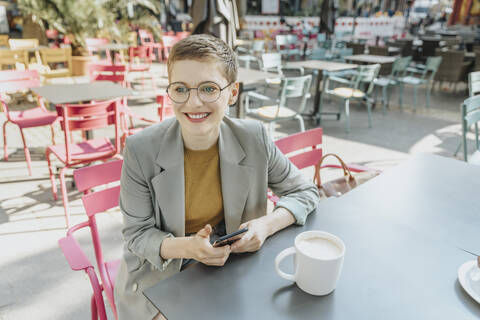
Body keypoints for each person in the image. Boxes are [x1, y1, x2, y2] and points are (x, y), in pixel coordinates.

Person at [114, 34, 319, 320]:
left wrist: (265, 226)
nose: (193, 102)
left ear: (232, 93)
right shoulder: (140, 149)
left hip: (231, 265)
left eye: (209, 88)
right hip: (160, 272)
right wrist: (190, 248)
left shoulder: (254, 138)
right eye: (181, 89)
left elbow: (305, 191)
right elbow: (137, 235)